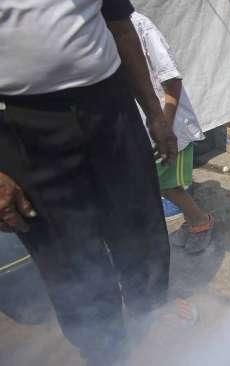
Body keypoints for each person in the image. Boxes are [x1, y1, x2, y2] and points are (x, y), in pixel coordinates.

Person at [0, 1, 175, 363]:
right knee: (67, 256)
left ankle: (150, 333)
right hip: (22, 123)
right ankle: (105, 351)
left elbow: (122, 29)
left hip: (109, 107)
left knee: (140, 230)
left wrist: (155, 114)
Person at [131, 12, 214, 254]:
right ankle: (193, 222)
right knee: (157, 184)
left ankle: (201, 222)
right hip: (145, 129)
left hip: (169, 127)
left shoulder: (139, 26)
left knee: (168, 186)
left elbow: (171, 79)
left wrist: (164, 125)